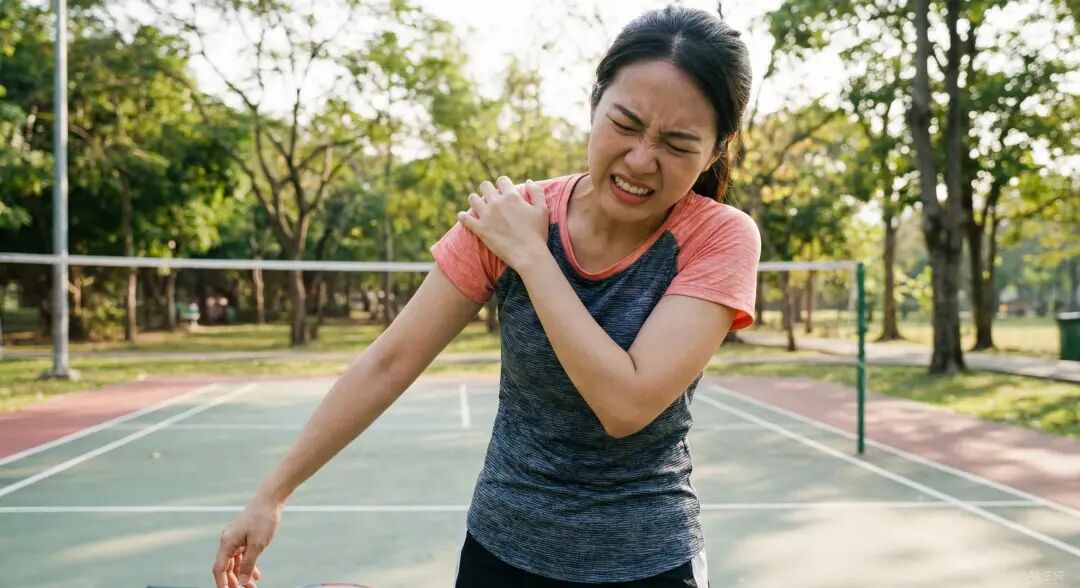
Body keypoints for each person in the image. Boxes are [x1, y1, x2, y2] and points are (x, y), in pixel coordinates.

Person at [212, 4, 757, 587]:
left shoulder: (718, 237)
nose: (642, 159)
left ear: (716, 149)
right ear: (594, 103)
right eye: (625, 125)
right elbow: (390, 361)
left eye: (677, 144)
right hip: (502, 553)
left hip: (649, 562)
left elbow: (625, 406)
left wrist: (533, 259)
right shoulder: (507, 217)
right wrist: (272, 494)